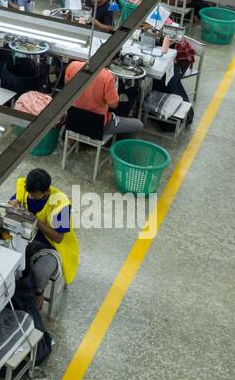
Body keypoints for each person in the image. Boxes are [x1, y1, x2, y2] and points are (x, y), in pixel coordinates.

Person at [12, 167, 78, 299]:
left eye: (34, 195)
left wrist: (35, 220)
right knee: (9, 264)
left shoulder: (61, 204)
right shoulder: (25, 189)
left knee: (39, 274)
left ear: (46, 192)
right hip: (25, 239)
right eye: (29, 193)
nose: (30, 196)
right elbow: (14, 202)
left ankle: (38, 295)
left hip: (51, 247)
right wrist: (12, 205)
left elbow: (58, 238)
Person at [62, 58, 144, 136]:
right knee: (138, 125)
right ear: (111, 59)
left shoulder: (73, 66)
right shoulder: (107, 77)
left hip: (73, 119)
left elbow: (67, 90)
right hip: (96, 124)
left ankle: (71, 142)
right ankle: (117, 144)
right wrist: (113, 85)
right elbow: (114, 105)